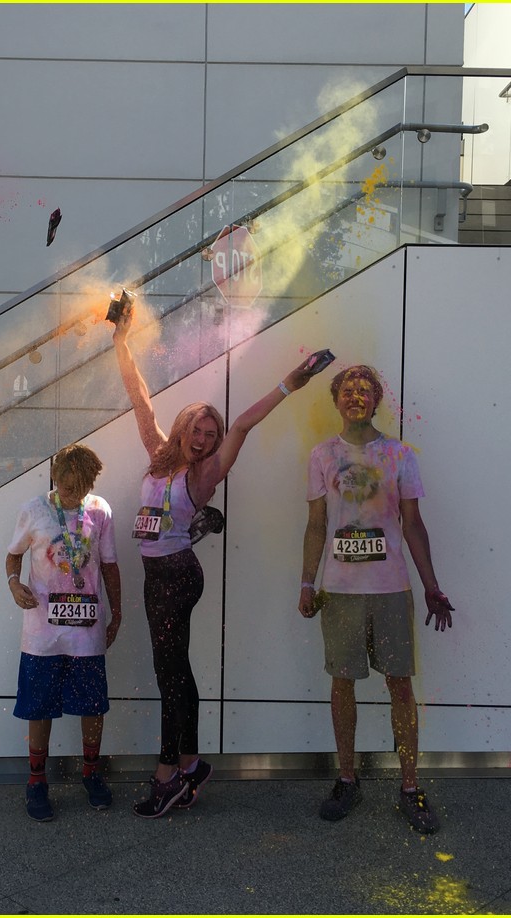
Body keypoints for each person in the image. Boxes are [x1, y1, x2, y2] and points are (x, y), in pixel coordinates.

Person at [112, 299, 328, 818]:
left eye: (211, 435)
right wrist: (121, 342)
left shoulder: (205, 476)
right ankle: (191, 764)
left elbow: (244, 427)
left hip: (177, 577)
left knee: (170, 677)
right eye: (199, 431)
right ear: (184, 428)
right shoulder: (160, 454)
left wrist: (288, 385)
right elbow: (140, 398)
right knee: (178, 672)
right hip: (155, 576)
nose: (205, 439)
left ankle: (166, 777)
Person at [297, 365, 455, 834]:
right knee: (341, 684)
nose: (357, 396)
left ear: (376, 400)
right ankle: (348, 780)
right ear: (336, 399)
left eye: (366, 390)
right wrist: (307, 583)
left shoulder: (400, 455)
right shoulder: (322, 455)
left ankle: (409, 787)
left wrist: (431, 585)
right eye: (348, 390)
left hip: (391, 589)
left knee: (400, 685)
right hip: (340, 591)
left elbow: (413, 524)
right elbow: (315, 526)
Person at [5, 443, 123, 822]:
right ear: (55, 477)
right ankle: (37, 781)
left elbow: (109, 565)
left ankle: (92, 772)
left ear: (91, 481)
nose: (72, 495)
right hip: (42, 630)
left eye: (80, 488)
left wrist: (117, 614)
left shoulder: (100, 510)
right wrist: (13, 583)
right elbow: (13, 555)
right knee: (39, 707)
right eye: (67, 487)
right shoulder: (35, 509)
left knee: (92, 705)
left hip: (86, 630)